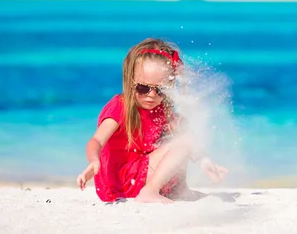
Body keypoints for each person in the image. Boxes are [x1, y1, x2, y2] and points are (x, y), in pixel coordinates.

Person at [76, 38, 228, 204]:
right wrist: (93, 160)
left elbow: (188, 138)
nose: (152, 95)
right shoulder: (121, 107)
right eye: (143, 88)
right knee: (182, 142)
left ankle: (178, 191)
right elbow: (96, 140)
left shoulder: (162, 109)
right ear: (130, 81)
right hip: (121, 180)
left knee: (182, 132)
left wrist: (203, 160)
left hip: (137, 177)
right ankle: (150, 191)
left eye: (160, 89)